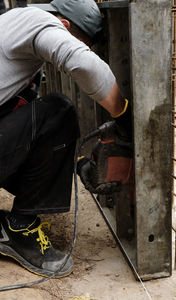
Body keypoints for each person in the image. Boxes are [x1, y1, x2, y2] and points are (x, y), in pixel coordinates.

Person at [0, 0, 131, 277]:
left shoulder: (14, 22)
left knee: (33, 110)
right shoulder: (40, 23)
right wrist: (125, 118)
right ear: (65, 25)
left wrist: (71, 162)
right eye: (81, 41)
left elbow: (22, 128)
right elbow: (84, 64)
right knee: (59, 111)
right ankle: (19, 228)